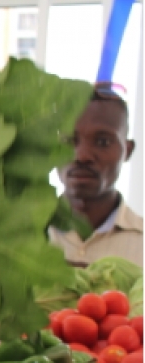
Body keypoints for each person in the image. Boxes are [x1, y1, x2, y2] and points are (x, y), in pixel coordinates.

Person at [51, 84, 142, 267]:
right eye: (68, 140)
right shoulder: (19, 234)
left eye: (102, 142)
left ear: (127, 151)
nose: (82, 155)